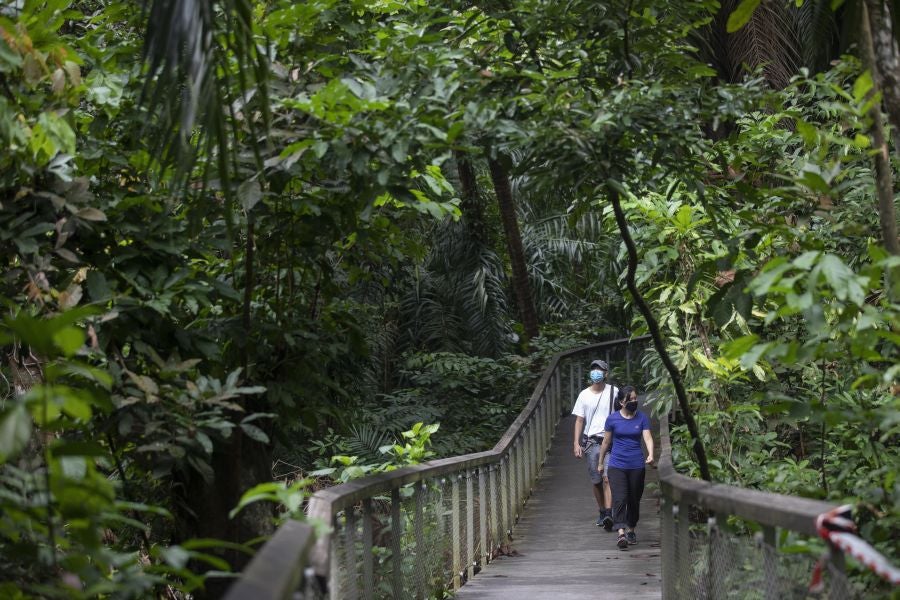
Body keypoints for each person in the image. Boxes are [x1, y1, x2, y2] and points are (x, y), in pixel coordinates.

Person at [596, 385, 654, 550]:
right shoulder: (613, 419)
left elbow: (648, 438)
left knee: (634, 499)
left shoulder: (642, 418)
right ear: (622, 402)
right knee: (620, 498)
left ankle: (631, 529)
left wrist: (650, 454)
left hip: (636, 465)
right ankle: (621, 532)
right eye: (631, 399)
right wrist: (600, 462)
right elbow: (606, 442)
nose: (635, 401)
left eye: (636, 399)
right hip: (617, 465)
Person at [571, 359, 618, 530]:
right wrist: (576, 443)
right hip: (591, 443)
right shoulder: (584, 394)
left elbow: (621, 414)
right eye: (593, 369)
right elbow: (579, 420)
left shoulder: (614, 391)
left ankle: (609, 513)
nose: (596, 372)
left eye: (600, 369)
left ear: (606, 373)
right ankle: (602, 511)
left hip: (610, 441)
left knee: (608, 478)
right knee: (596, 480)